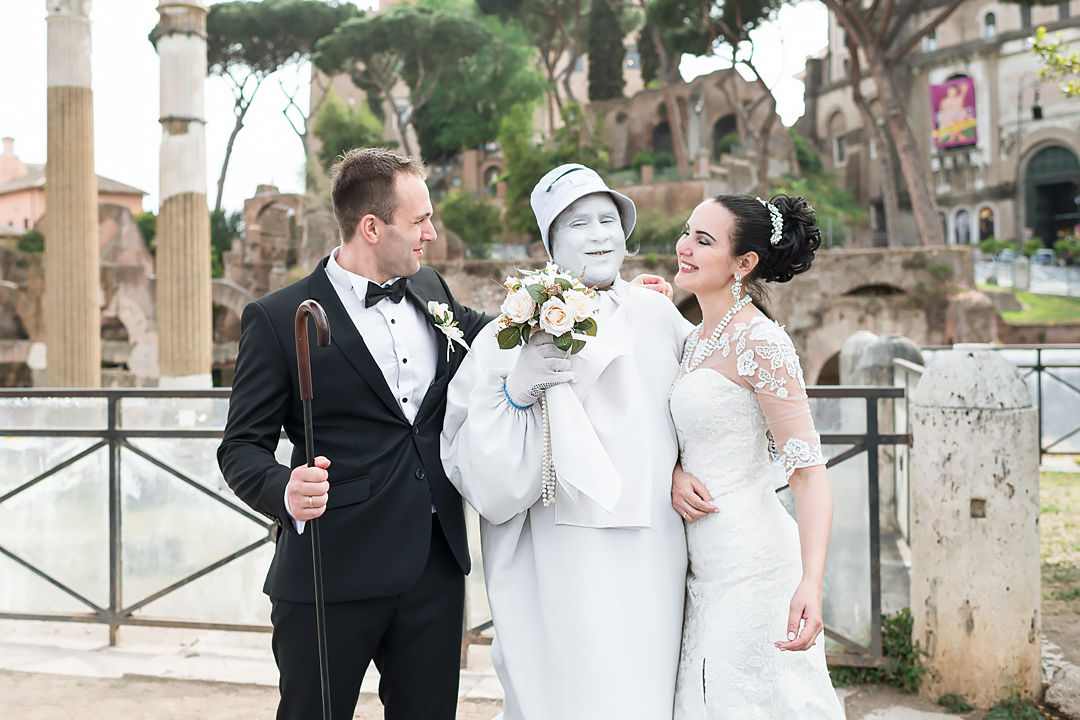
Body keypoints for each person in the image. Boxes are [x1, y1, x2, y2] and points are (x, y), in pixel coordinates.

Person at [217, 148, 490, 720]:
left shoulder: (432, 289)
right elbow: (241, 447)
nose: (432, 234)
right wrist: (284, 490)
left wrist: (605, 300)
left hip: (434, 568)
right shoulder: (276, 317)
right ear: (372, 227)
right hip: (329, 571)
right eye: (419, 221)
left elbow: (496, 338)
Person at [441, 163, 694, 720]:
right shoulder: (512, 329)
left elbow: (700, 405)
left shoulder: (658, 314)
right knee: (568, 687)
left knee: (645, 684)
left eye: (610, 219)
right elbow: (472, 454)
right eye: (580, 222)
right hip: (556, 551)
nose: (600, 234)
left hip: (654, 544)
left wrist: (679, 466)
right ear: (551, 241)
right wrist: (516, 390)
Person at [668, 193, 845, 718]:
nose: (684, 247)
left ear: (744, 264)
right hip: (701, 564)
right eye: (686, 232)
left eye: (704, 240)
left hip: (753, 564)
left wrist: (811, 581)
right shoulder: (695, 338)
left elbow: (809, 475)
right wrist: (674, 472)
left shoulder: (761, 343)